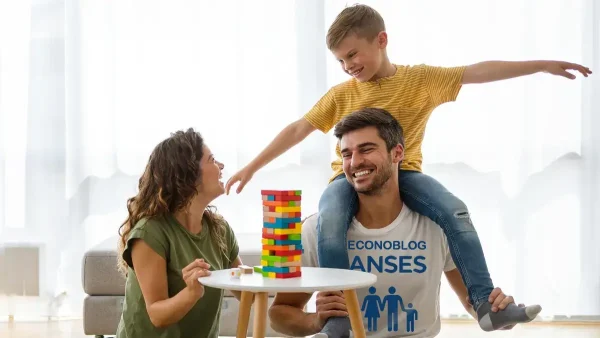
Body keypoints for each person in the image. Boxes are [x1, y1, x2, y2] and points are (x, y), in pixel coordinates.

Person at [225, 3, 591, 334]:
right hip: (345, 179)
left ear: (381, 40)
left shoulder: (420, 81)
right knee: (330, 219)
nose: (348, 65)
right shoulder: (341, 95)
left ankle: (484, 303)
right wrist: (252, 167)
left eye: (352, 54)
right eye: (340, 60)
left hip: (407, 174)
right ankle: (339, 321)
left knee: (454, 210)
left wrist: (541, 65)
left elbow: (476, 72)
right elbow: (297, 130)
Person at [267, 108, 539, 338]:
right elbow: (279, 314)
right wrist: (316, 321)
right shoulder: (316, 230)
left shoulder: (436, 226)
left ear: (397, 153)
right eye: (347, 154)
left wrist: (500, 312)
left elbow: (471, 304)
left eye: (366, 149)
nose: (355, 162)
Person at [115, 128, 245, 338]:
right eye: (212, 160)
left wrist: (288, 281)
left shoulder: (220, 230)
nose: (221, 166)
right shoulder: (150, 232)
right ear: (189, 176)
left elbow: (245, 290)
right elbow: (157, 314)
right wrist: (191, 293)